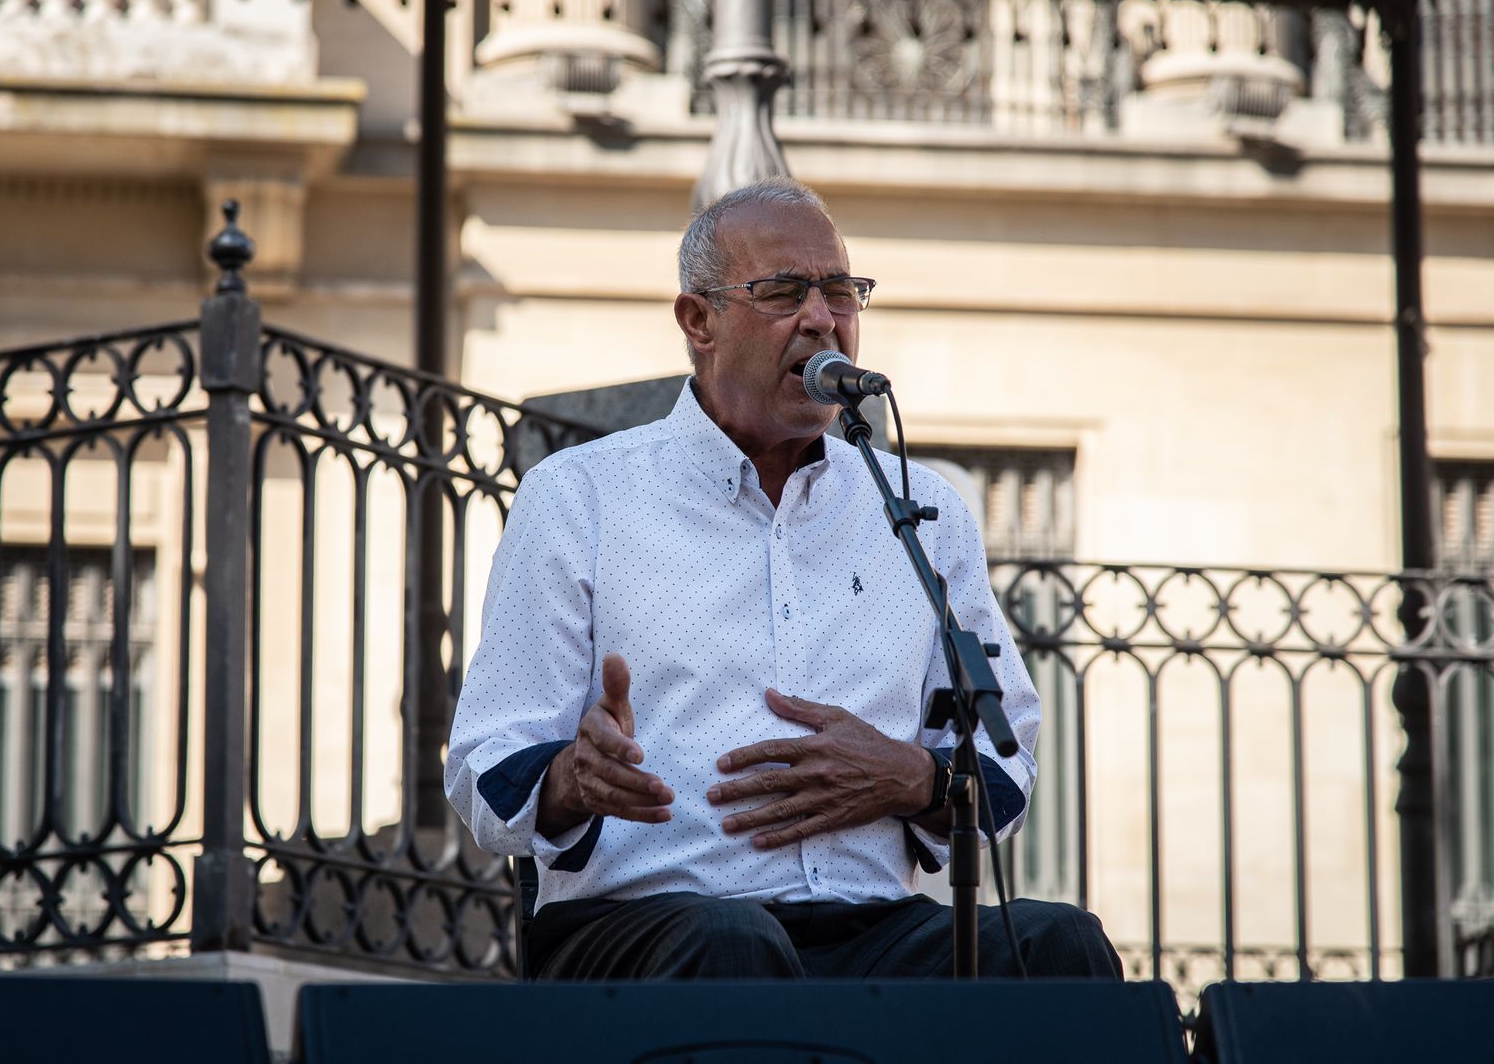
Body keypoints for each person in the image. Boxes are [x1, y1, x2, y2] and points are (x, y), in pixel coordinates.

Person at [445, 177, 1120, 980]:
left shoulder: (921, 508)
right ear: (699, 321)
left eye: (840, 290)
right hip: (641, 924)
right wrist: (573, 779)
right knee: (735, 946)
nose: (822, 318)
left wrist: (912, 779)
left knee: (1058, 947)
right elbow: (486, 768)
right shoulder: (579, 496)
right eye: (782, 292)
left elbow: (1006, 757)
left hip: (872, 928)